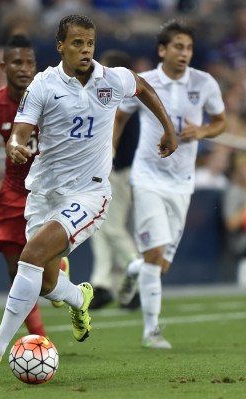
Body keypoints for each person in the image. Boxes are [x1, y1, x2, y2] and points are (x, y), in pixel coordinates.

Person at [0, 14, 177, 373]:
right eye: (77, 43)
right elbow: (21, 128)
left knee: (29, 257)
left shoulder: (111, 79)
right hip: (44, 193)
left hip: (89, 193)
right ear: (60, 45)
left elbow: (143, 88)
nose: (85, 50)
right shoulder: (44, 85)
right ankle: (79, 297)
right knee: (45, 283)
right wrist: (15, 145)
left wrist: (168, 130)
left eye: (89, 43)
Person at [116, 19, 227, 349]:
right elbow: (120, 116)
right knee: (155, 253)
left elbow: (221, 121)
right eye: (178, 46)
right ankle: (151, 332)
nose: (184, 53)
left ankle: (133, 270)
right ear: (162, 50)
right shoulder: (144, 83)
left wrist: (203, 131)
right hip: (147, 176)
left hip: (182, 182)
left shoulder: (204, 83)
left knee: (159, 264)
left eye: (189, 47)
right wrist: (109, 148)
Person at [0, 34, 66, 339]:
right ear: (3, 66)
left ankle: (58, 272)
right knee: (16, 269)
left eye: (29, 62)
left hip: (49, 190)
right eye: (17, 62)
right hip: (13, 191)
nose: (24, 68)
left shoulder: (53, 95)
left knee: (44, 279)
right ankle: (39, 338)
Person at [88, 49, 140, 310]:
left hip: (118, 170)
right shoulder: (119, 95)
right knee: (98, 228)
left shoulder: (120, 96)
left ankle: (136, 275)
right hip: (112, 169)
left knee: (112, 228)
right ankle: (103, 285)